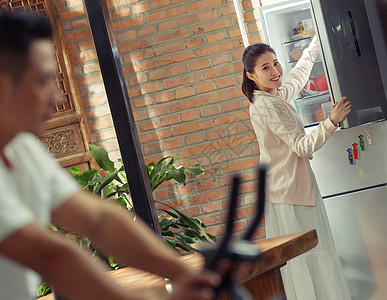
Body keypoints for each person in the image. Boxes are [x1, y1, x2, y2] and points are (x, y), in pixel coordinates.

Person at [0, 11, 223, 300]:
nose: (56, 96)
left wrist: (187, 276)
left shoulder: (21, 148)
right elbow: (52, 257)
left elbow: (100, 221)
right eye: (43, 81)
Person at [242, 37, 352, 300]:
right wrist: (331, 122)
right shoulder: (267, 107)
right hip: (289, 193)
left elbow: (295, 80)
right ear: (251, 75)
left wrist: (313, 48)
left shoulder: (272, 96)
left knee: (309, 256)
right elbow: (301, 146)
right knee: (309, 255)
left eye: (275, 63)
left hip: (287, 189)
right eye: (265, 68)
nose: (275, 71)